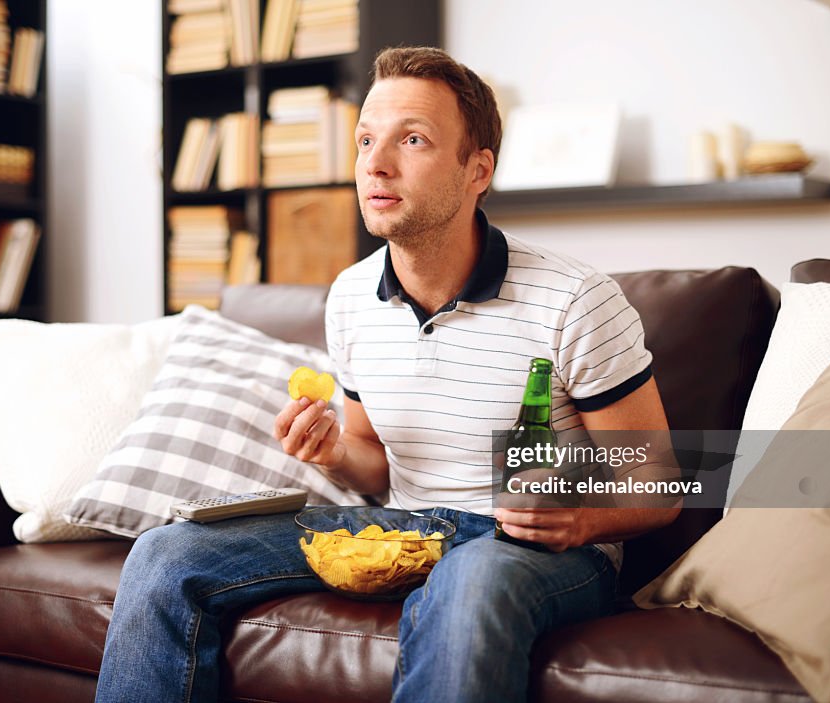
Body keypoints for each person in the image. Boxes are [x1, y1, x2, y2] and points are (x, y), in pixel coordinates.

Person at [95, 47, 678, 703]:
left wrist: (581, 520)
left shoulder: (575, 299)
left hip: (537, 546)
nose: (375, 162)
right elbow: (372, 460)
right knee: (165, 554)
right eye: (366, 139)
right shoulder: (349, 299)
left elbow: (658, 482)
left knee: (470, 581)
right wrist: (336, 451)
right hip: (404, 526)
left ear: (476, 170)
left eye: (413, 139)